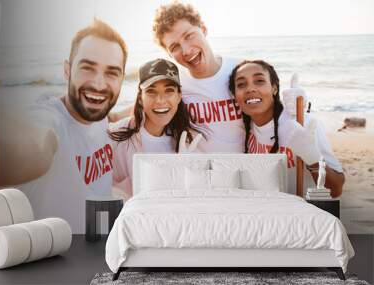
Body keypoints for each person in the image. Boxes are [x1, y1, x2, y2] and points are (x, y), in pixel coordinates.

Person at [0, 19, 128, 233]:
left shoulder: (99, 116)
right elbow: (34, 146)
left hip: (99, 250)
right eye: (87, 68)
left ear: (121, 78)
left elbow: (113, 117)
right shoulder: (51, 120)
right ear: (67, 70)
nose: (99, 84)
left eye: (111, 72)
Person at [152, 2, 303, 153]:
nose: (185, 50)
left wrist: (297, 106)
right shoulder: (176, 85)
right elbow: (148, 107)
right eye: (174, 47)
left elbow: (271, 106)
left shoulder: (240, 72)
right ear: (168, 54)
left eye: (189, 36)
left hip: (245, 169)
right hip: (202, 173)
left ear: (203, 29)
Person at [228, 59, 345, 197]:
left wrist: (312, 158)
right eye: (241, 84)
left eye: (259, 81)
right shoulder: (243, 128)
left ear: (274, 88)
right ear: (234, 96)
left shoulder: (302, 124)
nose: (250, 88)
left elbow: (336, 190)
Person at [110, 58, 202, 198]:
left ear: (179, 96)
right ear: (141, 98)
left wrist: (185, 169)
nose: (160, 100)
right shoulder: (116, 135)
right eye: (151, 92)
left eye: (169, 91)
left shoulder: (187, 141)